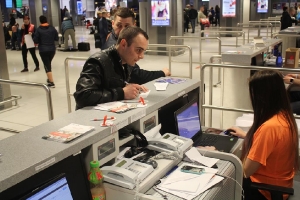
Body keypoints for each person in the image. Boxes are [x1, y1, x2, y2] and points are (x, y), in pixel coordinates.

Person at [228, 70, 299, 200]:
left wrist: (219, 157)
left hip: (264, 191)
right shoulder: (284, 116)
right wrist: (246, 136)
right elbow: (274, 145)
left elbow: (245, 171)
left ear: (261, 96)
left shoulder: (270, 127)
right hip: (281, 184)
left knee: (222, 183)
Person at [74, 26, 150, 110]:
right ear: (123, 44)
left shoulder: (126, 61)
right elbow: (83, 96)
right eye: (138, 50)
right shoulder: (98, 61)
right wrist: (122, 93)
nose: (141, 56)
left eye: (143, 51)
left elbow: (109, 84)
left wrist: (127, 86)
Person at [102, 7, 170, 84]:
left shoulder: (114, 38)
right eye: (119, 25)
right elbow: (135, 75)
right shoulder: (114, 46)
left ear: (134, 26)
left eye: (127, 26)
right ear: (113, 24)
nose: (122, 30)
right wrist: (162, 73)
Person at [33, 15, 58, 88]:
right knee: (48, 64)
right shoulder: (52, 28)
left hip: (43, 49)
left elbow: (36, 40)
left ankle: (51, 82)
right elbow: (56, 38)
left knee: (47, 65)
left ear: (40, 21)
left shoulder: (38, 30)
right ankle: (49, 78)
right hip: (52, 49)